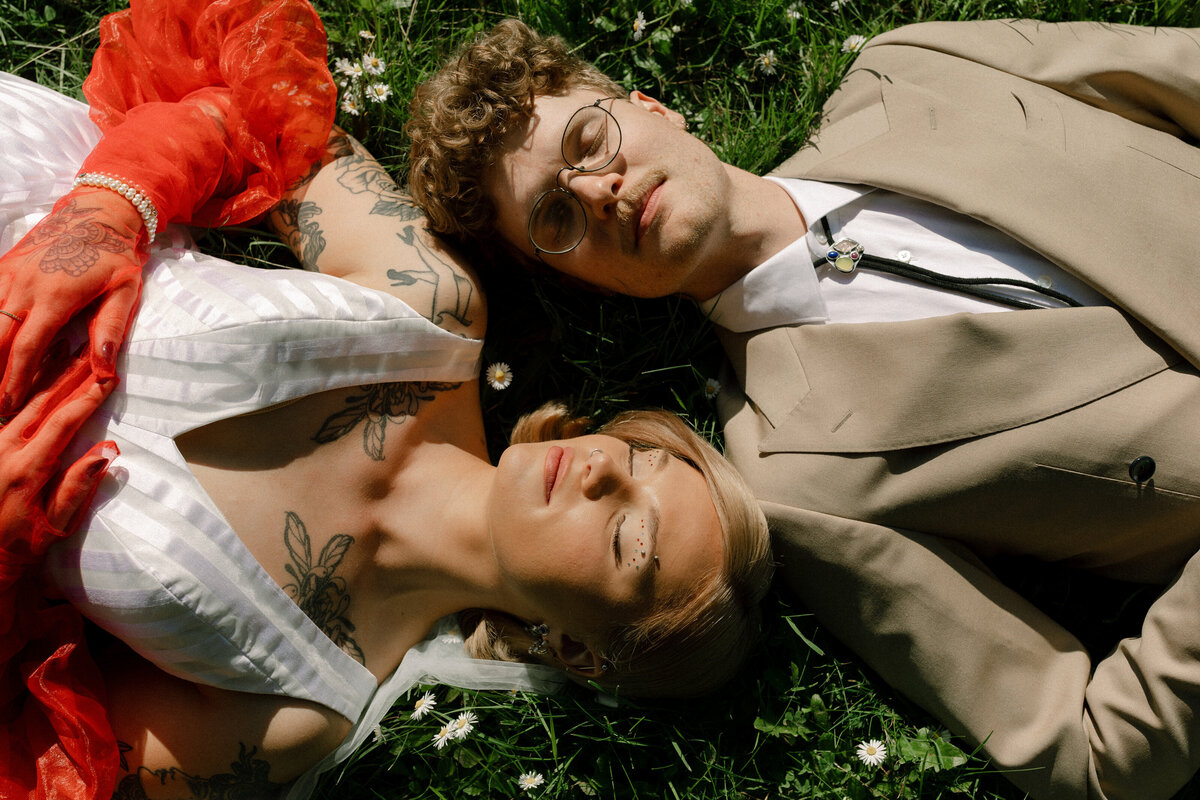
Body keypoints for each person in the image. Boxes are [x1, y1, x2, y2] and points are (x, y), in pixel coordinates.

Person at [406, 17, 1200, 800]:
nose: (596, 189)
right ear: (575, 280)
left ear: (653, 108)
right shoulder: (800, 480)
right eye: (556, 216)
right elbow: (1093, 756)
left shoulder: (913, 64)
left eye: (588, 140)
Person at [0, 2, 772, 797]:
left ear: (576, 649)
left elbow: (24, 763)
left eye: (630, 539)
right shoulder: (430, 307)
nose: (606, 470)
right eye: (643, 458)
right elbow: (257, 114)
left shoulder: (288, 712)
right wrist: (108, 210)